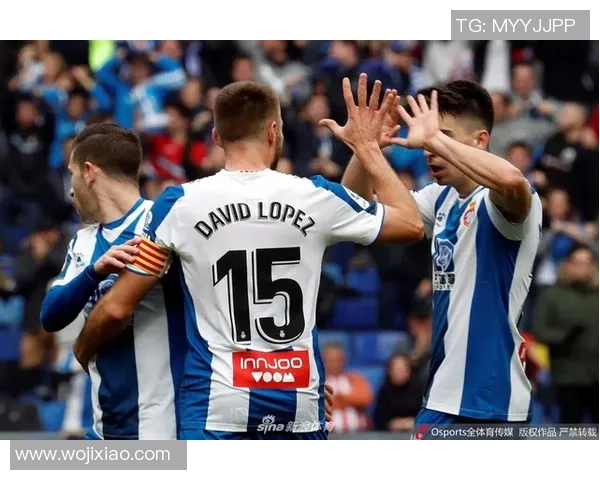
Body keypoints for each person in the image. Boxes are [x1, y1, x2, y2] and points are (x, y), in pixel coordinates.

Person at [73, 73, 424, 440]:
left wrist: (84, 347)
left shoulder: (178, 204)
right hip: (298, 400)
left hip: (218, 404)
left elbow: (118, 306)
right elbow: (410, 224)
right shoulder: (315, 197)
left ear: (216, 137)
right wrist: (367, 148)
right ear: (273, 132)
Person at [339, 80, 543, 438]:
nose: (428, 149)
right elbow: (356, 211)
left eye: (443, 136)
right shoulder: (441, 198)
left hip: (487, 399)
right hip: (446, 395)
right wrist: (365, 148)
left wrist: (433, 138)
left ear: (480, 140)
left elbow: (512, 182)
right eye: (427, 140)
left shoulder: (501, 200)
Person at [39, 123, 187, 440]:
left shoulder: (162, 223)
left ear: (89, 172)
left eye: (72, 174)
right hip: (104, 426)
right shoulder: (83, 242)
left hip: (161, 425)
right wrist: (94, 272)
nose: (70, 190)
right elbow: (50, 316)